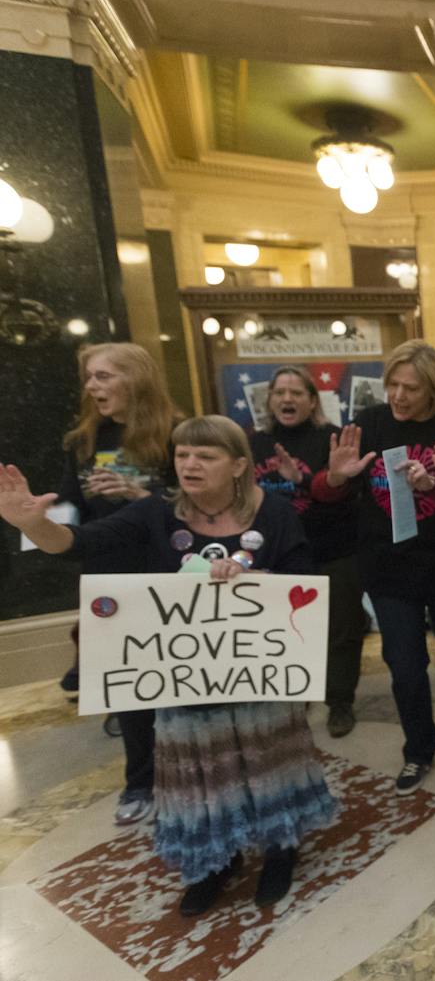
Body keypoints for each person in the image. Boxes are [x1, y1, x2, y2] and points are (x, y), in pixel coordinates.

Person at [0, 415, 336, 915]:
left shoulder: (279, 514)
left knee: (269, 762)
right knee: (202, 774)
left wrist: (255, 579)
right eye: (182, 454)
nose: (190, 464)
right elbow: (78, 543)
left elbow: (301, 587)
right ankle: (217, 861)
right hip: (187, 682)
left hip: (258, 676)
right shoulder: (153, 515)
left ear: (239, 464)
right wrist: (32, 525)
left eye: (206, 455)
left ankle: (279, 848)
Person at [315, 339, 435, 793]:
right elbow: (326, 498)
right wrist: (336, 476)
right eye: (392, 385)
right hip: (388, 571)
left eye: (411, 388)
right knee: (404, 666)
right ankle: (418, 749)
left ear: (433, 389)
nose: (398, 396)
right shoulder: (370, 424)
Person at [57, 342, 180, 825]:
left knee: (177, 683)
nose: (92, 386)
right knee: (129, 689)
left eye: (104, 376)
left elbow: (196, 505)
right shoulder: (83, 442)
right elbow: (69, 508)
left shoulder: (173, 433)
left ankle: (192, 772)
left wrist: (140, 494)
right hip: (107, 579)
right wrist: (40, 522)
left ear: (136, 379)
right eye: (90, 377)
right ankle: (141, 783)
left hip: (164, 576)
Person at [249, 365, 366, 737]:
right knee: (284, 632)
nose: (287, 398)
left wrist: (303, 480)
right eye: (279, 392)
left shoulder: (332, 439)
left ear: (312, 400)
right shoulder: (253, 445)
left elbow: (349, 496)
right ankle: (291, 697)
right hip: (275, 557)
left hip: (334, 549)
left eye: (296, 392)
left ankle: (340, 701)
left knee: (341, 631)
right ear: (268, 399)